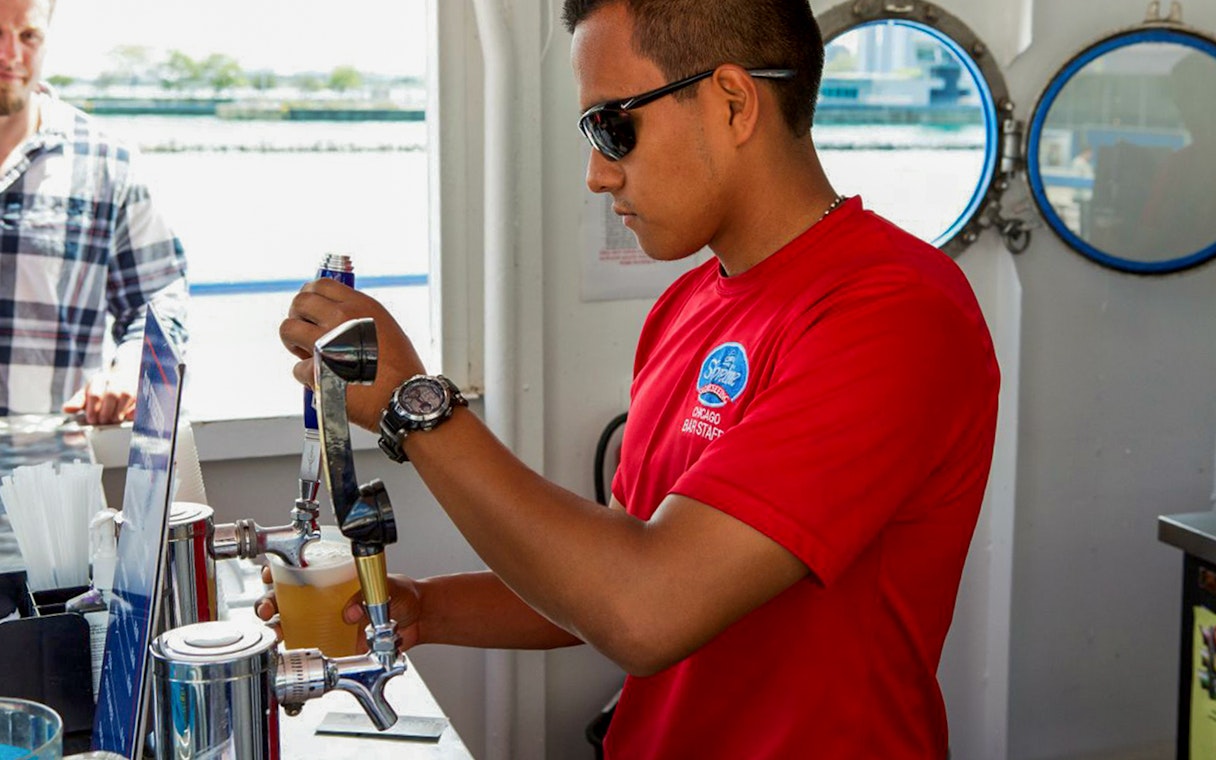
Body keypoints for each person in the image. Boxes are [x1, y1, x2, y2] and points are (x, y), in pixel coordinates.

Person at [270, 0, 1000, 756]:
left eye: (611, 126)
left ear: (733, 102)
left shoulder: (896, 314)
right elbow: (613, 566)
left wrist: (412, 405)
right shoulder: (686, 305)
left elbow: (646, 609)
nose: (595, 174)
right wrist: (429, 608)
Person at [0, 0, 188, 424]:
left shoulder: (106, 161)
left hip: (50, 474)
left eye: (28, 36)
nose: (10, 55)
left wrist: (128, 371)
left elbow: (159, 300)